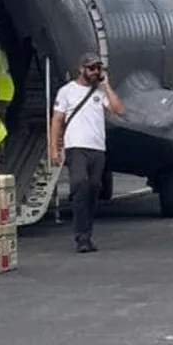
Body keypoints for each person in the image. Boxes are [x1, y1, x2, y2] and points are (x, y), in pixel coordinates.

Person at [49, 53, 124, 253]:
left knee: (93, 188)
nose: (95, 72)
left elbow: (118, 109)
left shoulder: (100, 92)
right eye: (91, 68)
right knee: (80, 184)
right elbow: (57, 120)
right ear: (81, 69)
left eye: (98, 69)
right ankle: (81, 236)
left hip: (97, 147)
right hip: (76, 146)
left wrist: (106, 86)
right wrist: (53, 148)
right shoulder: (67, 92)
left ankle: (87, 233)